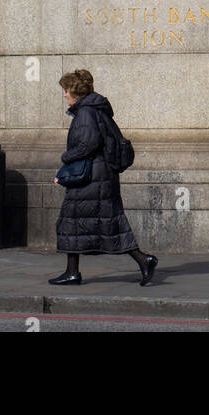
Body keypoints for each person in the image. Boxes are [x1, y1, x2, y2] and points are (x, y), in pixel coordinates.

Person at [49, 68, 157, 287]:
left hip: (91, 179)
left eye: (66, 90)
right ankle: (141, 260)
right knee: (101, 223)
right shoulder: (94, 109)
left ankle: (141, 259)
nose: (64, 95)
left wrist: (65, 157)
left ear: (75, 92)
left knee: (73, 223)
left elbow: (88, 144)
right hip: (99, 177)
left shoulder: (86, 112)